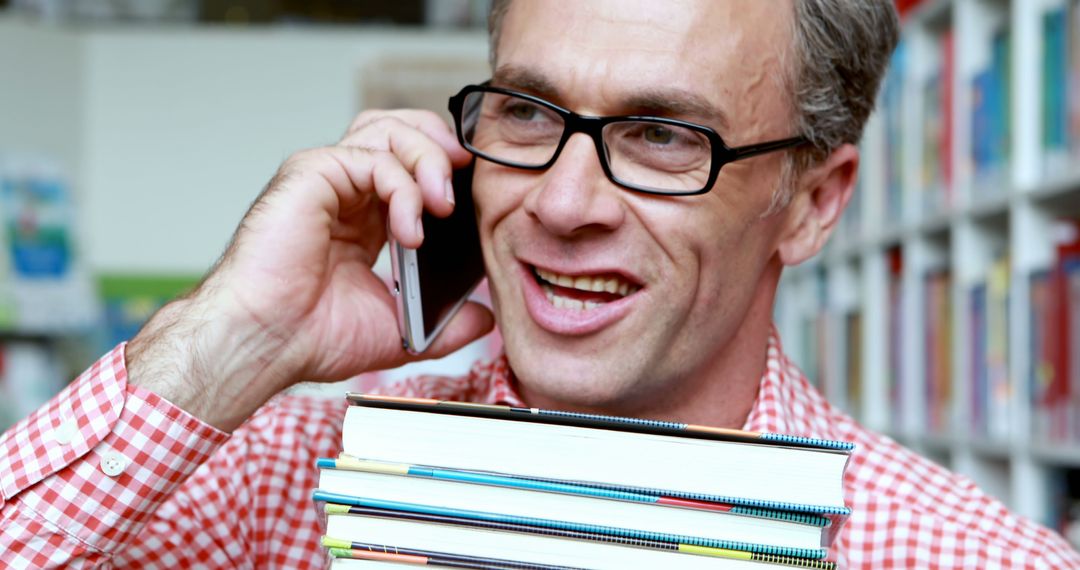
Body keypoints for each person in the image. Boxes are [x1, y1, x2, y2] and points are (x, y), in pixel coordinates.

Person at [1, 0, 1077, 567]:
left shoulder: (972, 560)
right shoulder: (285, 483)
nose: (563, 204)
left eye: (662, 135)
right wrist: (233, 335)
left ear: (811, 202)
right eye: (529, 113)